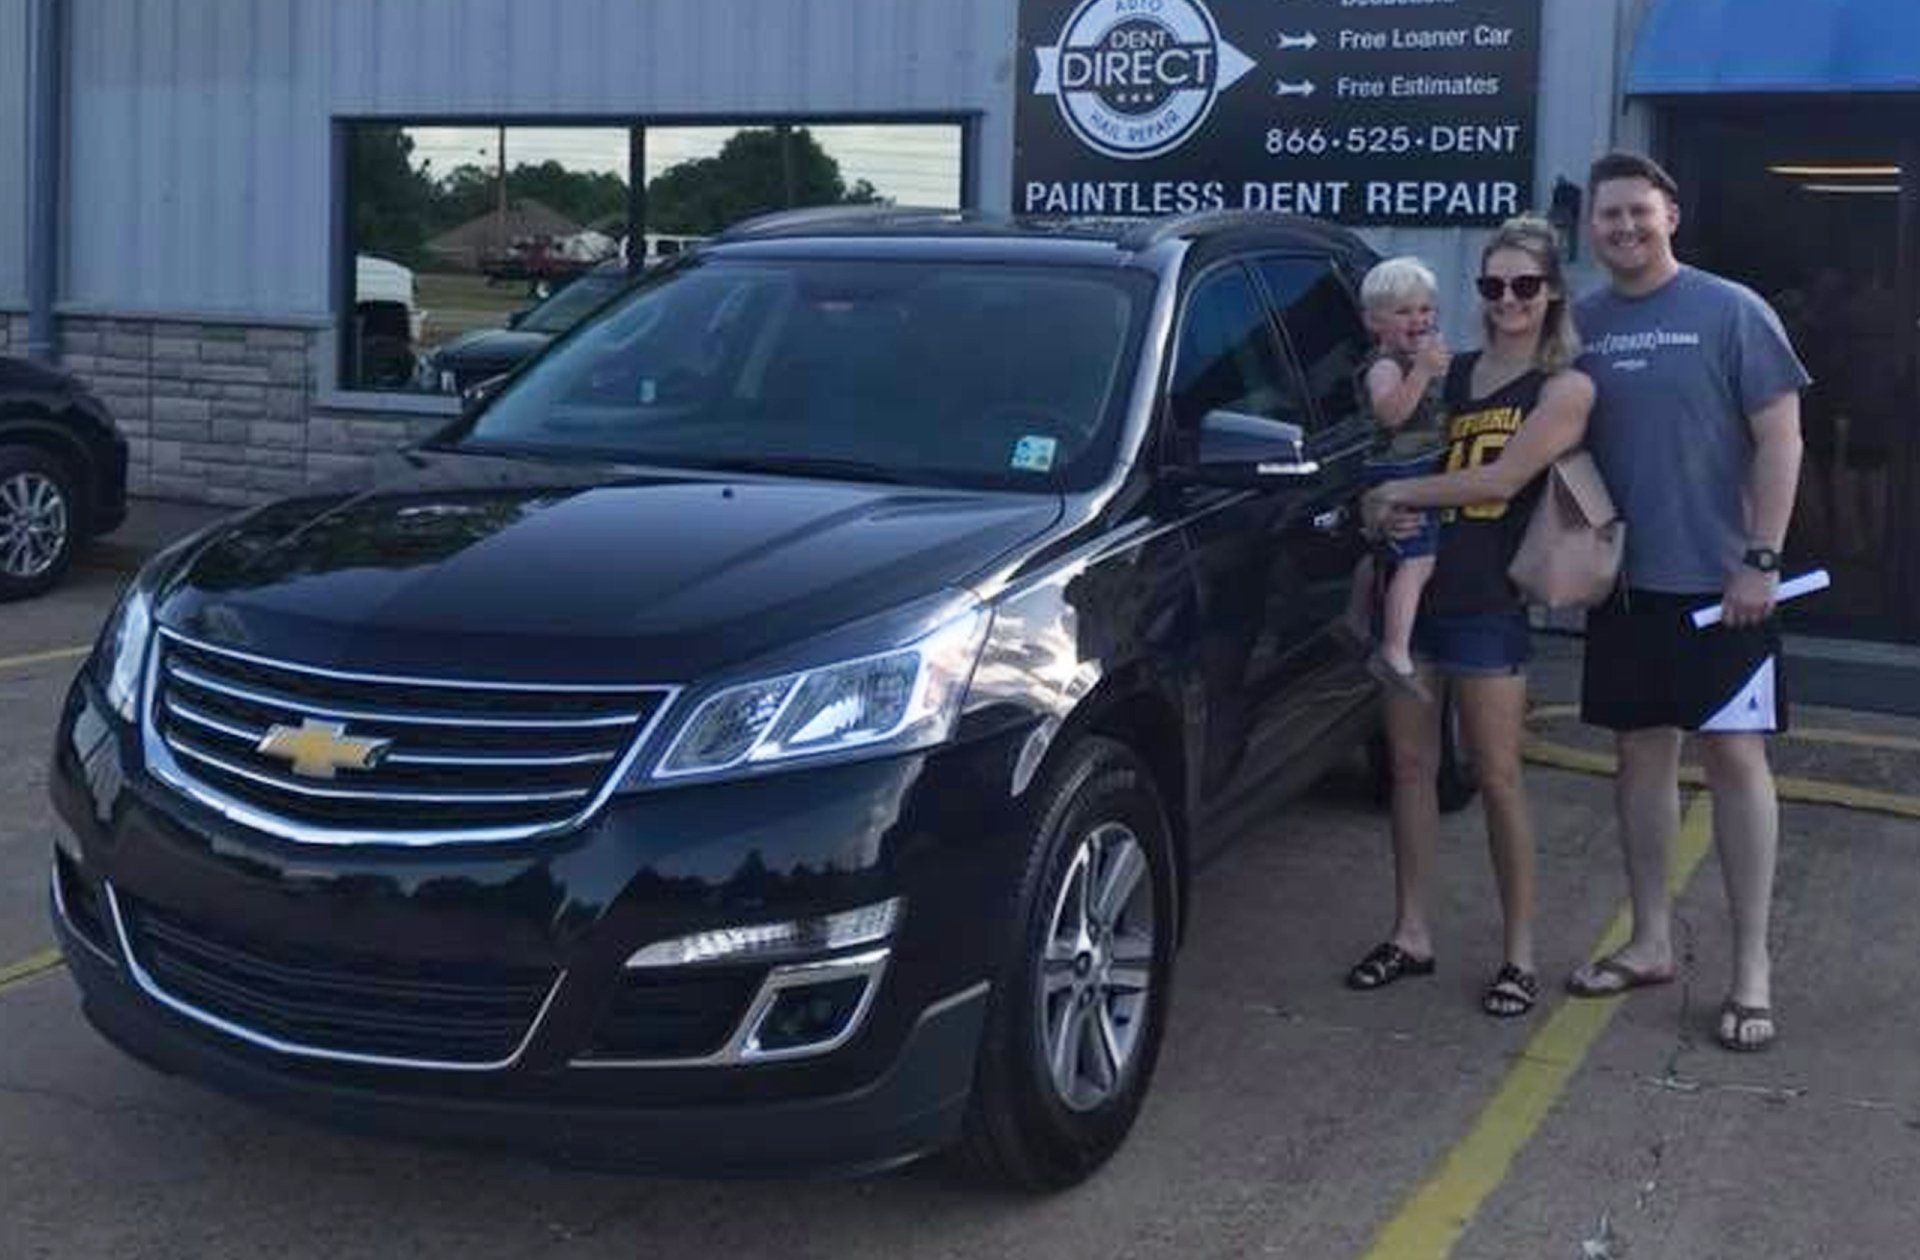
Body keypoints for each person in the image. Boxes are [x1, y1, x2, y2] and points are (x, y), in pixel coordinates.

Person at [1567, 152, 1809, 1054]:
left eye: (1639, 211)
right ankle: (1650, 941)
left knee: (1736, 760)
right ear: (1591, 229)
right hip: (1626, 591)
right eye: (1608, 217)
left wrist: (1761, 559)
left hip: (1725, 591)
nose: (1624, 229)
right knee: (1640, 760)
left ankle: (1751, 970)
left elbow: (1782, 440)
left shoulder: (1731, 310)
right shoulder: (1582, 324)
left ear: (1671, 213)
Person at [1350, 216, 1596, 1018]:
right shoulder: (1444, 371)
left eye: (1525, 284)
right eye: (1493, 285)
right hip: (1413, 593)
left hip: (1489, 601)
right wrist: (1373, 506)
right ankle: (1410, 932)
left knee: (1497, 778)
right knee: (1411, 772)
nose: (1508, 299)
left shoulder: (1565, 387)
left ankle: (1519, 954)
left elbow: (1498, 481)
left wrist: (1398, 495)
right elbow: (1389, 455)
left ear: (1552, 291)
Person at [1344, 257, 1452, 705]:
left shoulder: (1414, 360)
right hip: (1399, 469)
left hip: (1416, 465)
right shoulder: (1385, 367)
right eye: (1404, 312)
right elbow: (1391, 414)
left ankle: (1354, 615)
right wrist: (1424, 373)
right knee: (1418, 561)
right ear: (1375, 322)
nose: (1419, 320)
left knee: (1383, 554)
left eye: (1425, 310)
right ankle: (1394, 649)